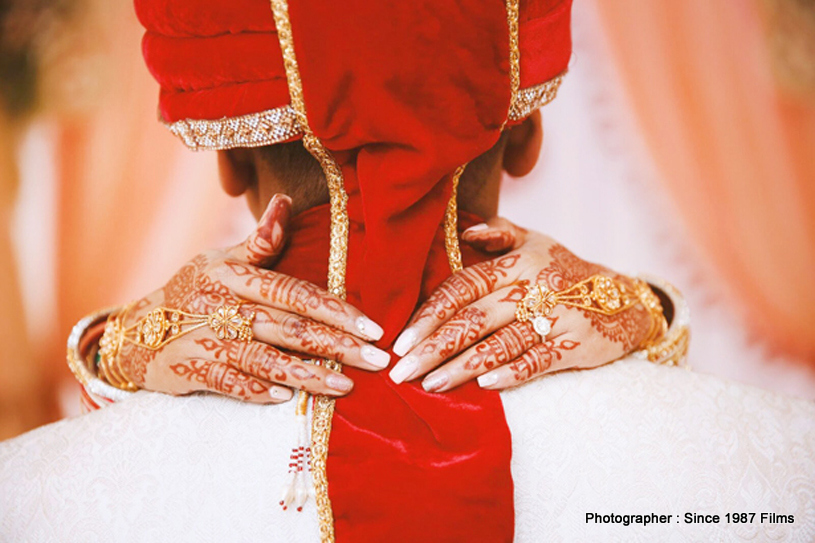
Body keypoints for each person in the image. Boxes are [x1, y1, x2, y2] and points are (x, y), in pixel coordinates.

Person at [2, 0, 814, 541]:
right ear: (527, 136)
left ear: (227, 160)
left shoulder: (31, 499)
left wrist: (112, 349)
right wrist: (642, 313)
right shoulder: (783, 467)